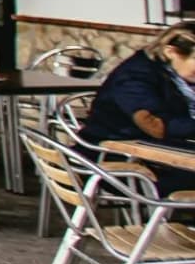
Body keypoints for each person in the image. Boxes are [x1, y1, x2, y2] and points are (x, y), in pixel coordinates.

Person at [80, 23, 195, 198]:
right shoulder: (136, 75)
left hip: (158, 155)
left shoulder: (176, 74)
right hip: (121, 165)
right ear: (171, 51)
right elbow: (155, 126)